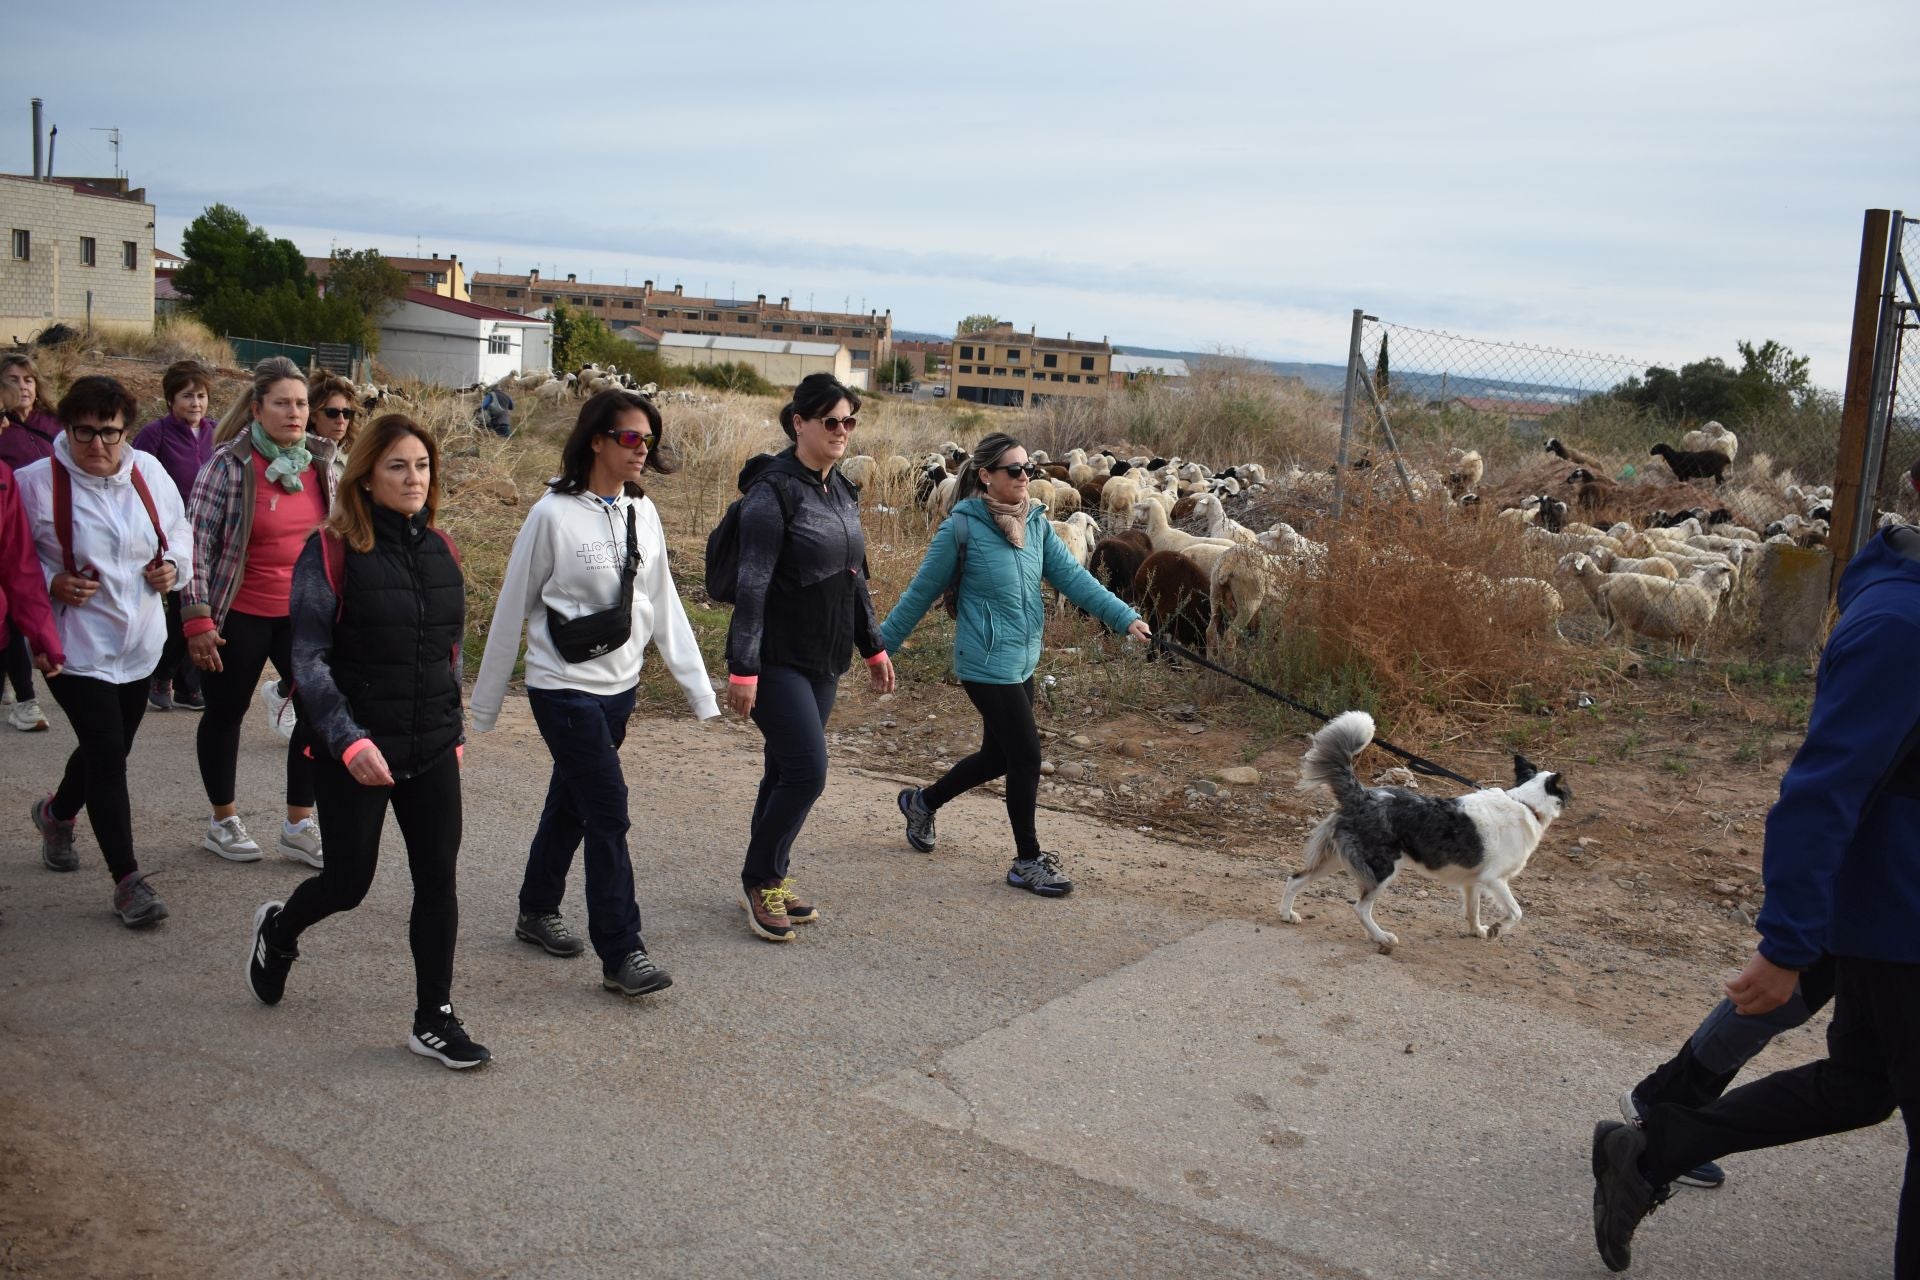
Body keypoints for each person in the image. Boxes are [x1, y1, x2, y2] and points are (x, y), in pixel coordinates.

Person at [1590, 518, 1920, 1276]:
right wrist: (1787, 942)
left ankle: (1654, 1147)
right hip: (1901, 915)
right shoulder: (1903, 624)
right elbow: (1823, 790)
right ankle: (1661, 1114)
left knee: (1861, 1087)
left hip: (1893, 910)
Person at [244, 414, 487, 1068]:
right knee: (349, 882)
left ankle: (433, 1017)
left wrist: (454, 730)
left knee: (438, 879)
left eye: (423, 466)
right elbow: (309, 660)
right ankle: (280, 928)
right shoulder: (328, 550)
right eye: (398, 466)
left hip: (431, 744)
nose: (414, 479)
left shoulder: (443, 550)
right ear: (367, 477)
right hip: (353, 749)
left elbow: (448, 650)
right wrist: (349, 742)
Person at [471, 389, 717, 994]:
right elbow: (512, 606)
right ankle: (622, 951)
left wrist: (699, 690)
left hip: (620, 688)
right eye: (630, 438)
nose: (642, 450)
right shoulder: (551, 514)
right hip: (562, 687)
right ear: (597, 440)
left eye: (648, 440)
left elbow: (663, 604)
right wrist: (485, 702)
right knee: (608, 811)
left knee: (573, 802)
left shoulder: (644, 512)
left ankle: (535, 908)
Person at [879, 432, 1149, 899]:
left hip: (1022, 659)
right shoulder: (960, 529)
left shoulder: (1037, 525)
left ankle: (921, 803)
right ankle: (1027, 860)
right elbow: (918, 594)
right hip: (982, 662)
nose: (1026, 477)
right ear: (986, 476)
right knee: (1026, 755)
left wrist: (1125, 617)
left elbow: (1075, 580)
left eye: (1030, 469)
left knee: (998, 756)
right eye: (1015, 470)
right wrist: (877, 648)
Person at [723, 373, 894, 942]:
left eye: (850, 421)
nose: (842, 430)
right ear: (799, 422)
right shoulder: (773, 493)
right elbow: (750, 587)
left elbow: (855, 578)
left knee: (783, 770)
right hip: (774, 657)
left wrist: (873, 646)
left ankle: (767, 874)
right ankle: (762, 879)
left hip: (824, 656)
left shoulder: (841, 489)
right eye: (831, 421)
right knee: (807, 771)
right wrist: (742, 667)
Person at [15, 376, 190, 926]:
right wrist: (50, 580)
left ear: (126, 431)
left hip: (139, 643)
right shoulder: (33, 483)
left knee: (108, 751)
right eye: (83, 432)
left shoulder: (150, 474)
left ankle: (57, 813)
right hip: (72, 649)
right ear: (65, 428)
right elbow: (10, 559)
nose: (96, 445)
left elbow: (180, 534)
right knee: (108, 757)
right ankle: (128, 881)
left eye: (109, 433)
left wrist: (173, 568)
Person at [183, 357, 337, 867]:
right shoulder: (227, 467)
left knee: (318, 713)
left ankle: (298, 822)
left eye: (301, 404)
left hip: (304, 616)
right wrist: (197, 617)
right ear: (256, 408)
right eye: (281, 403)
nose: (294, 413)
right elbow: (196, 546)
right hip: (239, 614)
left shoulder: (323, 464)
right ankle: (222, 819)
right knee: (226, 714)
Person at [133, 359, 218, 713]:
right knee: (182, 610)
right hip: (169, 536)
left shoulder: (218, 431)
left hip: (209, 534)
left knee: (202, 607)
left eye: (200, 396)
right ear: (171, 400)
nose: (195, 403)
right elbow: (137, 481)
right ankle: (163, 675)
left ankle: (185, 684)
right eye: (187, 396)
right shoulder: (156, 434)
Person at [0, 352, 60, 732]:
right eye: (12, 379)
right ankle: (26, 699)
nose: (22, 386)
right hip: (11, 529)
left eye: (28, 379)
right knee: (10, 613)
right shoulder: (4, 433)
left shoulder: (53, 425)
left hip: (44, 533)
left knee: (21, 609)